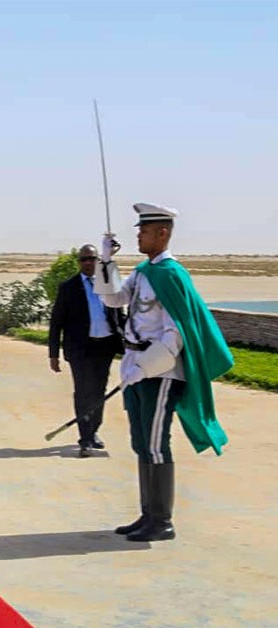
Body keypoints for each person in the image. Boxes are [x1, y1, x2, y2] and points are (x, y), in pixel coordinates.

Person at [95, 202, 233, 542]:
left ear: (163, 233)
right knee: (141, 442)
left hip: (161, 372)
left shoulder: (171, 275)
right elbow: (113, 299)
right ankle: (148, 514)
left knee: (156, 443)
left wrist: (144, 368)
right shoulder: (144, 271)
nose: (138, 236)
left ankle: (162, 520)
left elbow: (175, 335)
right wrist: (106, 262)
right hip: (137, 368)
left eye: (144, 230)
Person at [48, 244, 125, 457]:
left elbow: (119, 314)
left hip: (105, 346)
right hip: (80, 349)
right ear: (79, 262)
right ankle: (85, 438)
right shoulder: (68, 288)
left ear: (98, 261)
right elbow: (56, 322)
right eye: (84, 259)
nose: (88, 263)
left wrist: (130, 339)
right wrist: (53, 354)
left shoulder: (108, 285)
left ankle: (94, 429)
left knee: (99, 390)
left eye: (92, 259)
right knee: (83, 392)